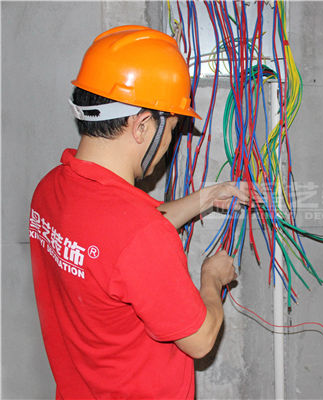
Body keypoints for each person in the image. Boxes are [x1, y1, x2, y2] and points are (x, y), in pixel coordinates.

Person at [29, 25, 251, 398]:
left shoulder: (50, 189)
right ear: (143, 125)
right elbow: (199, 340)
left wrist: (207, 197)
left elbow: (115, 253)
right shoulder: (140, 235)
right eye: (173, 129)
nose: (169, 143)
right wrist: (212, 278)